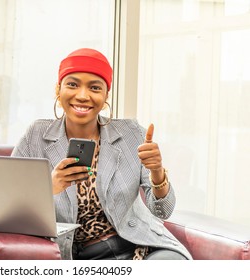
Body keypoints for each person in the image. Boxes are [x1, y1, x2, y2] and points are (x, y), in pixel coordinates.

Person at [12, 48, 192, 260]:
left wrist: (157, 172)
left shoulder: (132, 134)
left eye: (95, 87)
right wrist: (47, 188)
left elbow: (162, 211)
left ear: (106, 95)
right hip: (73, 255)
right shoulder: (36, 136)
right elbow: (8, 207)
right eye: (72, 84)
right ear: (58, 89)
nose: (82, 95)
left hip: (139, 247)